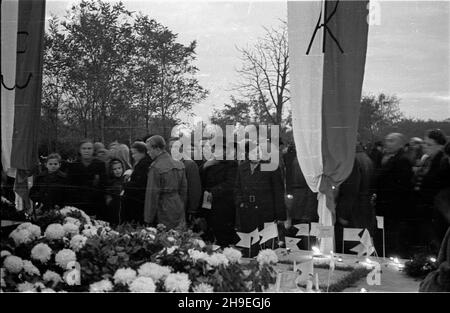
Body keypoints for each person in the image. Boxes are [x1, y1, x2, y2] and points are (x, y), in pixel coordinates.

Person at [235, 142, 286, 255]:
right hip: (247, 211)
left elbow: (278, 192)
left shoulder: (271, 167)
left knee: (265, 246)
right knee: (249, 245)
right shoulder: (242, 167)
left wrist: (280, 215)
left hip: (265, 212)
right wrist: (240, 202)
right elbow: (237, 187)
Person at [374, 133, 413, 257]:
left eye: (391, 141)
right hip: (387, 206)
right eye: (387, 140)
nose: (387, 143)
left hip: (394, 208)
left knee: (392, 239)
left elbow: (402, 186)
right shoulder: (390, 158)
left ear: (400, 143)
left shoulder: (402, 160)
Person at [413, 129, 450, 254]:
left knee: (435, 243)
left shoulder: (443, 161)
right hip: (425, 208)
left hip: (436, 210)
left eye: (429, 144)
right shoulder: (428, 160)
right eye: (424, 143)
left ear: (440, 146)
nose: (425, 147)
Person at [335, 143, 376, 252]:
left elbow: (350, 189)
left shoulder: (352, 161)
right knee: (361, 243)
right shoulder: (366, 158)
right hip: (364, 206)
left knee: (350, 245)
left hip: (353, 209)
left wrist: (343, 214)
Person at [199, 142, 238, 247]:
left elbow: (230, 183)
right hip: (208, 203)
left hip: (223, 205)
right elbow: (201, 181)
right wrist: (204, 166)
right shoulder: (209, 164)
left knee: (223, 233)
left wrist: (213, 192)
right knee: (209, 230)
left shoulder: (231, 164)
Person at [144, 135, 187, 229]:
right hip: (178, 205)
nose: (148, 153)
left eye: (149, 149)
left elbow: (151, 196)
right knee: (180, 237)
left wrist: (148, 219)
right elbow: (184, 191)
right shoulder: (179, 164)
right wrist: (181, 205)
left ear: (157, 149)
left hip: (163, 206)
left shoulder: (155, 167)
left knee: (164, 238)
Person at [283, 144, 318, 250]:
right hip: (310, 199)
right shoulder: (314, 161)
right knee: (308, 233)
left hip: (298, 201)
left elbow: (289, 182)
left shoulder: (295, 159)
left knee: (298, 231)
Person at [66, 139, 107, 218]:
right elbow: (69, 186)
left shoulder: (100, 164)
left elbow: (103, 184)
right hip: (78, 203)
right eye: (84, 148)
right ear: (79, 150)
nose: (86, 151)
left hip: (96, 203)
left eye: (89, 148)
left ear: (93, 150)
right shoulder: (73, 165)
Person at [168, 137, 202, 224]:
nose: (172, 149)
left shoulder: (189, 164)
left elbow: (194, 189)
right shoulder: (167, 163)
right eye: (170, 146)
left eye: (175, 146)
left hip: (184, 207)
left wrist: (192, 209)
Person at [122, 141, 152, 224]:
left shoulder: (143, 165)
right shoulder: (142, 163)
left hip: (138, 199)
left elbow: (140, 184)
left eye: (134, 153)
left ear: (142, 153)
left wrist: (126, 184)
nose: (133, 156)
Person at [104, 158, 125, 225]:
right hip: (114, 211)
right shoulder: (109, 182)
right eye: (114, 169)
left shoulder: (125, 179)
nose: (118, 171)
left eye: (119, 168)